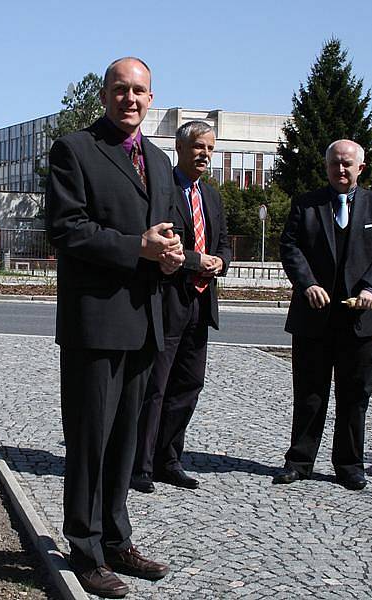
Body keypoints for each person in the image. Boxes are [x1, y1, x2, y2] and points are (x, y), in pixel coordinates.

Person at [46, 56, 184, 598]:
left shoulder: (156, 158)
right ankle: (84, 547)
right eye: (121, 89)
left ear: (152, 99)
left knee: (125, 442)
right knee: (89, 441)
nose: (131, 99)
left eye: (140, 91)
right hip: (95, 325)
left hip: (144, 321)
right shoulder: (75, 150)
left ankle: (116, 539)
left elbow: (163, 234)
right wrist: (138, 249)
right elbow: (67, 229)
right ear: (104, 94)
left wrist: (171, 257)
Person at [273, 139, 372, 491]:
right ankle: (299, 461)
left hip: (362, 319)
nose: (340, 170)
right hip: (314, 316)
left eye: (347, 164)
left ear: (361, 167)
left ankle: (349, 464)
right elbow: (290, 247)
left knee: (354, 394)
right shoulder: (306, 205)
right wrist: (307, 284)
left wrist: (371, 288)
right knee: (309, 393)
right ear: (326, 166)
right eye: (334, 164)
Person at [132, 121, 231, 493]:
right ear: (180, 147)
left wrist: (220, 262)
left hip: (202, 304)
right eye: (198, 147)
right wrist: (195, 261)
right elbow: (164, 244)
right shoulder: (162, 191)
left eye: (209, 148)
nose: (204, 154)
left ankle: (168, 459)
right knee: (155, 386)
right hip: (168, 300)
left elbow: (222, 245)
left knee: (189, 385)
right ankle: (139, 465)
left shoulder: (212, 196)